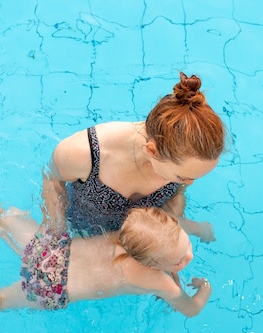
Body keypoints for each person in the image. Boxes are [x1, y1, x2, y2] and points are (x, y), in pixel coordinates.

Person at [0, 198, 212, 317]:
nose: (189, 255)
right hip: (53, 288)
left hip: (53, 251)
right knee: (0, 299)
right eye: (180, 259)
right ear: (152, 265)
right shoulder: (159, 281)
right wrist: (203, 291)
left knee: (0, 218)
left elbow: (171, 224)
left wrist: (186, 233)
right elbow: (190, 309)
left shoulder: (131, 229)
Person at [42, 71, 226, 241]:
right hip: (83, 231)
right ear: (151, 151)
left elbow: (177, 194)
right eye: (181, 177)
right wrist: (57, 231)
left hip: (134, 239)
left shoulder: (182, 157)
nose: (188, 182)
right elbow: (52, 180)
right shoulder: (82, 153)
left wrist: (170, 228)